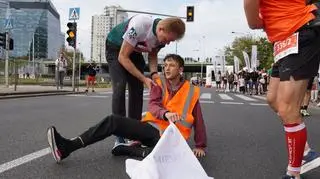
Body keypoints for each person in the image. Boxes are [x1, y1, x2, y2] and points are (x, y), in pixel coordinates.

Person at [47, 54, 207, 163]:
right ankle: (67, 147)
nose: (166, 68)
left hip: (173, 139)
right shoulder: (159, 84)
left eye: (171, 65)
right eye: (165, 65)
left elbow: (199, 120)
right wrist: (165, 114)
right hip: (153, 130)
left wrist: (200, 145)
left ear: (181, 70)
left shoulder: (191, 91)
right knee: (113, 121)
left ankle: (129, 149)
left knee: (167, 158)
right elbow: (153, 105)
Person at [244, 0, 320, 178]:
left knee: (288, 108)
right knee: (273, 99)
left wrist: (261, 20)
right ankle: (306, 152)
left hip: (299, 30)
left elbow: (253, 20)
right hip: (282, 42)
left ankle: (293, 173)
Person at [105, 14, 185, 144]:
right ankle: (119, 133)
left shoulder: (162, 39)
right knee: (120, 86)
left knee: (137, 90)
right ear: (161, 29)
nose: (168, 43)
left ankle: (134, 131)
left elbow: (152, 55)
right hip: (116, 48)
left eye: (171, 41)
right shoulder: (140, 25)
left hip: (135, 51)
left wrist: (154, 75)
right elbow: (123, 57)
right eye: (167, 39)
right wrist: (144, 78)